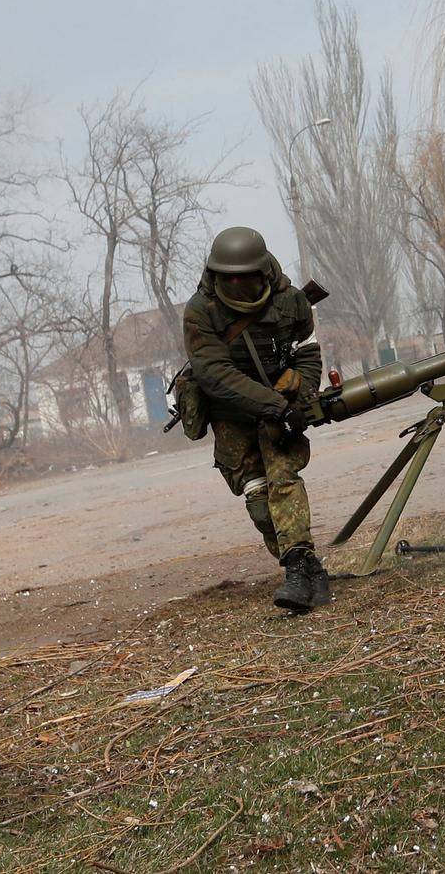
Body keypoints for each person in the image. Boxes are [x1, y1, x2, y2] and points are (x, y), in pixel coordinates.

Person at [182, 226, 330, 612]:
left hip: (279, 408)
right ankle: (309, 569)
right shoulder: (201, 312)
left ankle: (297, 570)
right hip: (230, 413)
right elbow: (215, 374)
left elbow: (308, 353)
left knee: (284, 479)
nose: (233, 283)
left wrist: (301, 392)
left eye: (241, 276)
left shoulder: (291, 302)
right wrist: (276, 406)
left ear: (260, 272)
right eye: (225, 276)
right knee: (258, 496)